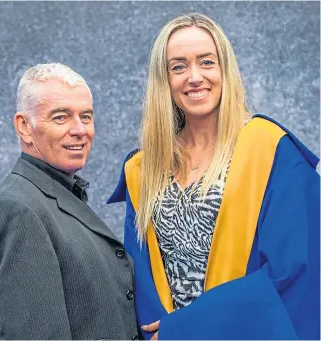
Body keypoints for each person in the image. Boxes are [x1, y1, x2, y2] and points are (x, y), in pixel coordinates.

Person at [108, 13, 320, 340]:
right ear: (163, 79)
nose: (194, 77)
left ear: (225, 70)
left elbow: (295, 269)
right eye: (178, 67)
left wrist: (185, 329)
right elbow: (140, 283)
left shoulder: (271, 150)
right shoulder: (143, 170)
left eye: (207, 62)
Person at [0, 63, 139, 340]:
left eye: (85, 117)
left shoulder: (55, 195)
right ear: (24, 127)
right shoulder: (18, 210)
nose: (79, 130)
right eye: (61, 117)